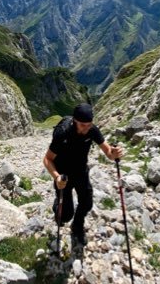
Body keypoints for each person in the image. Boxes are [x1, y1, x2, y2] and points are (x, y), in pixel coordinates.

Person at [43, 103, 123, 245]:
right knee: (65, 216)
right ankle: (58, 207)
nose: (86, 128)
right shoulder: (63, 133)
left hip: (81, 172)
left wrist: (115, 153)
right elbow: (47, 159)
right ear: (74, 121)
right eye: (82, 125)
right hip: (64, 176)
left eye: (88, 125)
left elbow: (108, 152)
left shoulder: (92, 130)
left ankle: (77, 226)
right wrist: (56, 177)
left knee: (87, 203)